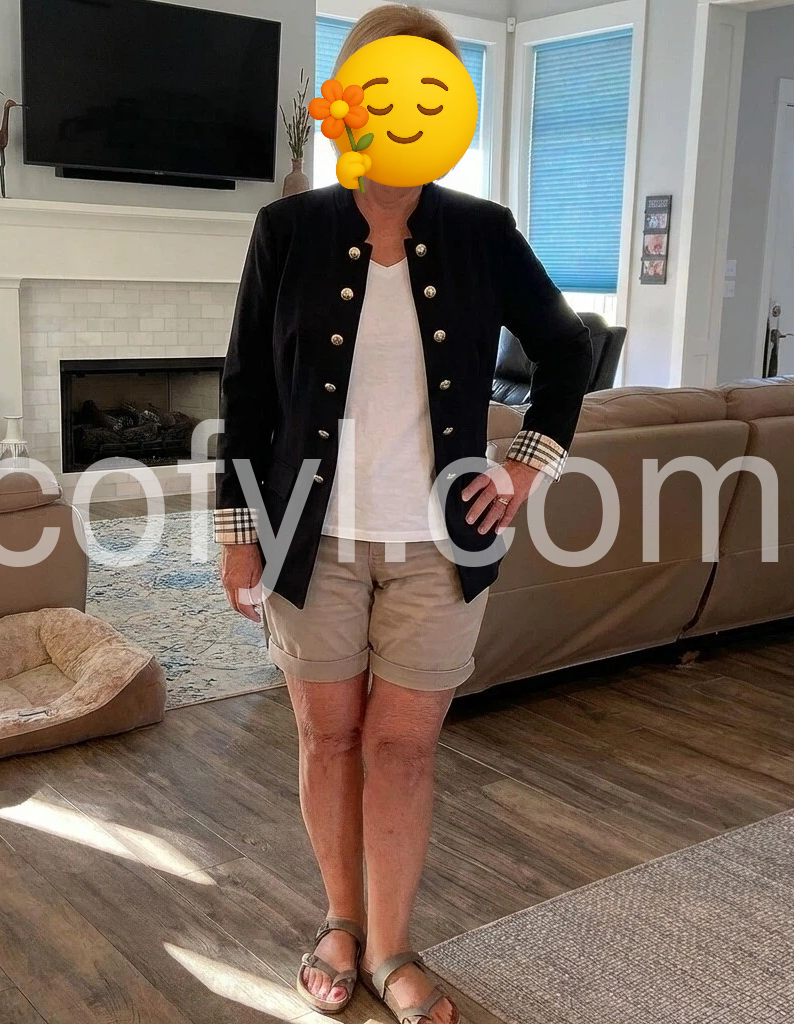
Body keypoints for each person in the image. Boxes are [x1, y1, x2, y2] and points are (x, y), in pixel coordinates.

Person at [216, 8, 592, 1021]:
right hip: (310, 542)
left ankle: (389, 948)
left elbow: (568, 349)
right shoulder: (287, 230)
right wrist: (240, 533)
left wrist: (527, 466)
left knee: (403, 747)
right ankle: (340, 922)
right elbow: (245, 390)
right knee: (328, 739)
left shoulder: (482, 232)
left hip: (440, 548)